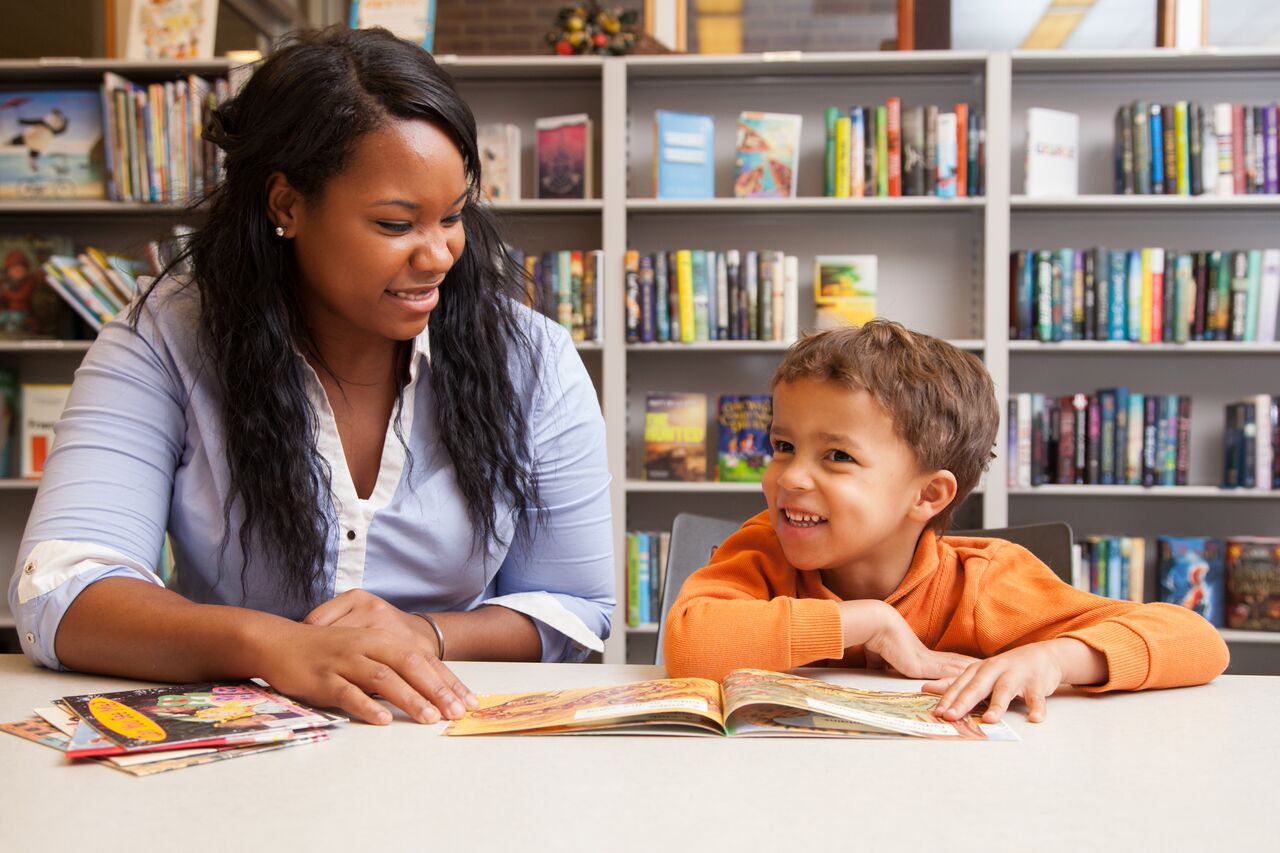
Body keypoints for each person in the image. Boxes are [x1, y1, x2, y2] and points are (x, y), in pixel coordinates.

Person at [8, 26, 614, 727]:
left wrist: (427, 634)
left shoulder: (530, 360)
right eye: (394, 223)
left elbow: (577, 606)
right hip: (229, 771)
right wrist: (270, 644)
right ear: (286, 205)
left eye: (453, 216)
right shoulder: (166, 339)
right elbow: (62, 586)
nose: (441, 254)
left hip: (447, 753)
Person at [663, 320, 1229, 724]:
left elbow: (1198, 641)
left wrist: (1053, 659)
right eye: (783, 445)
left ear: (928, 494)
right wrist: (870, 623)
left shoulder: (983, 583)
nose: (789, 478)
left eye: (837, 456)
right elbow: (689, 646)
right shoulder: (763, 549)